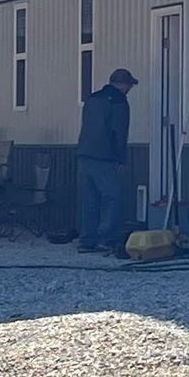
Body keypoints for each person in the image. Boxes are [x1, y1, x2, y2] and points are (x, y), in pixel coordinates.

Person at [76, 65, 136, 252]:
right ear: (124, 85)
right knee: (112, 197)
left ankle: (87, 240)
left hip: (84, 154)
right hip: (106, 156)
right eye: (130, 86)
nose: (130, 89)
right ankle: (106, 238)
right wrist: (121, 159)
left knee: (90, 199)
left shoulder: (92, 99)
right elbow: (119, 132)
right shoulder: (119, 102)